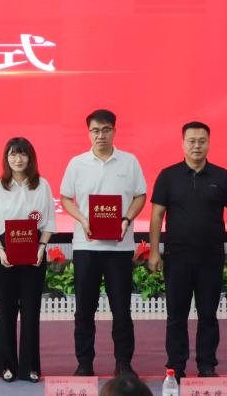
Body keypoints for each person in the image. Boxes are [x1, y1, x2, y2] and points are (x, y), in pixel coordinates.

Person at [148, 121, 227, 379]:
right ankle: (176, 366)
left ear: (209, 143)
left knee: (208, 315)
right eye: (191, 141)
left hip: (210, 258)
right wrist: (154, 251)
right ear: (183, 144)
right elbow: (156, 215)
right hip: (177, 258)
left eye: (202, 141)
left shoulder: (221, 176)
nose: (197, 146)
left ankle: (207, 365)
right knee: (176, 316)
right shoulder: (168, 176)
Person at [60, 109, 147, 378]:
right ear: (88, 133)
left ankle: (123, 364)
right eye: (95, 130)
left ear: (114, 131)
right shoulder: (77, 163)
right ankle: (84, 363)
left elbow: (140, 195)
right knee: (84, 310)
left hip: (120, 248)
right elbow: (65, 198)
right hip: (86, 246)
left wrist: (126, 219)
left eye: (106, 129)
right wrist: (83, 220)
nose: (101, 135)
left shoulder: (129, 162)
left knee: (121, 310)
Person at [0, 137, 56, 383]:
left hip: (34, 254)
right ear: (6, 158)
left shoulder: (42, 185)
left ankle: (30, 367)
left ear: (30, 158)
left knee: (31, 312)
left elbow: (49, 221)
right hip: (4, 253)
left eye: (23, 154)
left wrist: (41, 247)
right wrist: (0, 250)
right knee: (6, 312)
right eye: (13, 154)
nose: (18, 159)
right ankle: (7, 365)